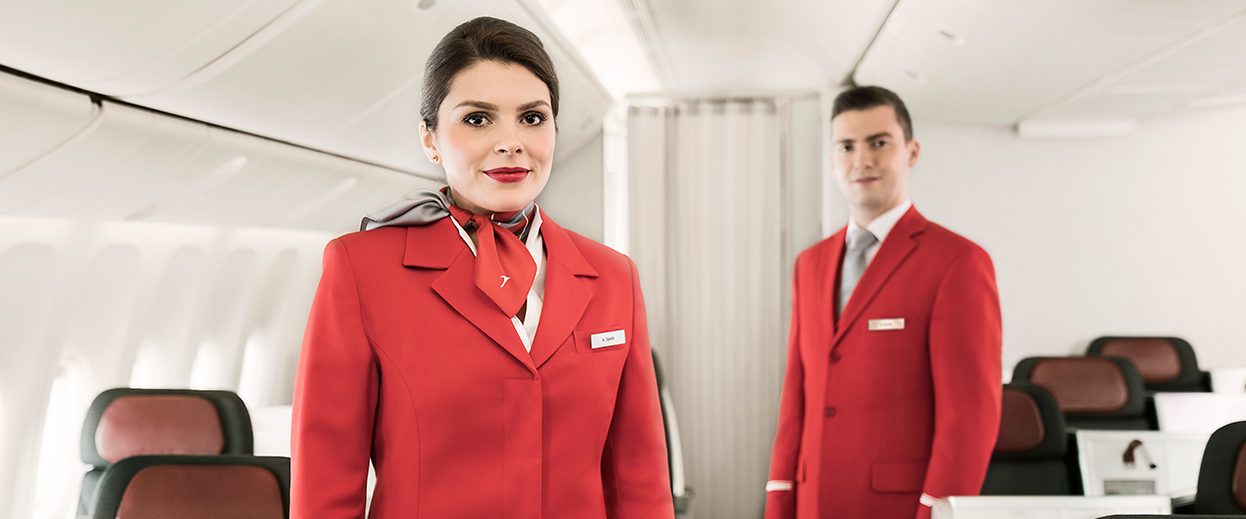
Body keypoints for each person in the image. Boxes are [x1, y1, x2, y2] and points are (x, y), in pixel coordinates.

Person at [291, 16, 673, 519]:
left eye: (532, 118)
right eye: (478, 119)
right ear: (430, 138)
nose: (510, 142)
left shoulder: (612, 277)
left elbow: (638, 481)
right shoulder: (361, 270)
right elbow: (325, 487)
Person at [764, 85, 1002, 518]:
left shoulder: (958, 262)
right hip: (813, 501)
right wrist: (780, 498)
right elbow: (797, 393)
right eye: (846, 146)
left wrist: (938, 511)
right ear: (833, 161)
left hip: (900, 507)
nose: (862, 160)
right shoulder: (810, 264)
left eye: (878, 143)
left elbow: (969, 416)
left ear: (911, 151)